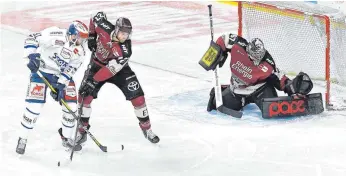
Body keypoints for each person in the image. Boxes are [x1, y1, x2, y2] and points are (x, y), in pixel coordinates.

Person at [76, 12, 159, 148]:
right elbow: (95, 16)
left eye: (127, 34)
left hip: (118, 70)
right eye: (122, 33)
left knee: (138, 97)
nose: (124, 36)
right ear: (116, 29)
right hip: (97, 65)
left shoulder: (125, 50)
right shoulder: (104, 26)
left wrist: (93, 81)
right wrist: (92, 36)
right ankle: (81, 131)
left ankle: (147, 129)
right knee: (83, 97)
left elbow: (110, 70)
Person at [203, 33, 320, 118]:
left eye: (259, 57)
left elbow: (279, 78)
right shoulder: (238, 45)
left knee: (274, 109)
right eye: (253, 57)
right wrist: (217, 52)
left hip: (259, 89)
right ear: (247, 50)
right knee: (214, 104)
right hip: (237, 90)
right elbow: (223, 40)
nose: (256, 60)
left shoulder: (268, 63)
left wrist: (293, 88)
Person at [16, 20, 89, 154]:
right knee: (34, 108)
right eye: (78, 37)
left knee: (72, 107)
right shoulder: (55, 34)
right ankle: (23, 137)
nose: (80, 41)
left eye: (83, 39)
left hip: (59, 76)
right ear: (71, 33)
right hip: (41, 72)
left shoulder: (81, 52)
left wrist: (60, 85)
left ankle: (66, 138)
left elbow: (70, 70)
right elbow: (32, 38)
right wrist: (32, 55)